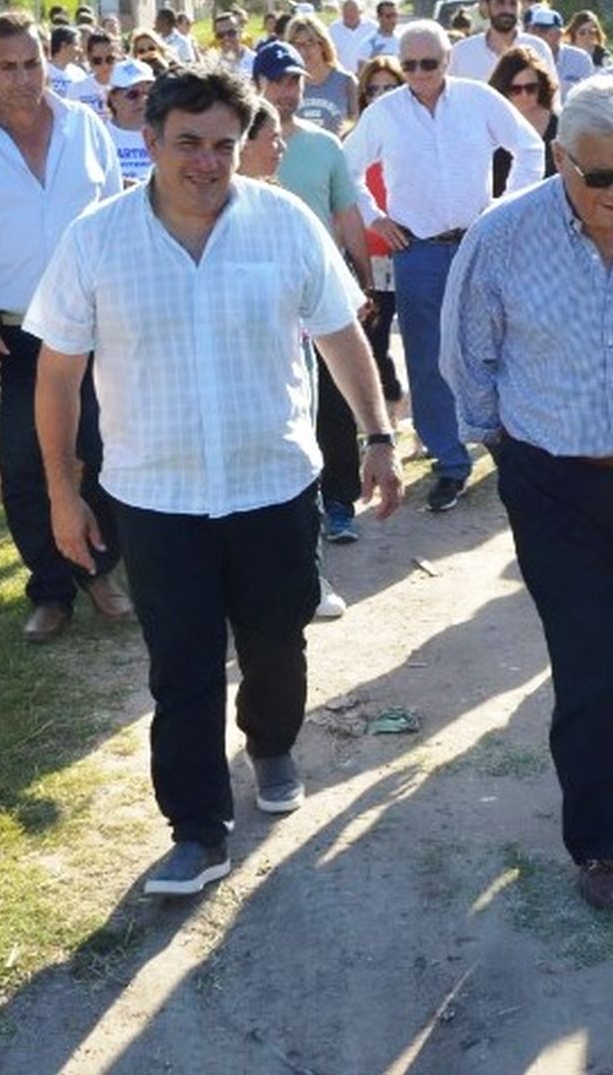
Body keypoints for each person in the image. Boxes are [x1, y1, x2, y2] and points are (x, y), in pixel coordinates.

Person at [27, 65, 402, 898]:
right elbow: (57, 374)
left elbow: (340, 334)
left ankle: (271, 742)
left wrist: (378, 436)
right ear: (150, 140)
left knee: (277, 642)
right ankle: (196, 830)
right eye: (187, 143)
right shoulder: (97, 239)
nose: (205, 162)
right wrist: (62, 490)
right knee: (181, 668)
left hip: (273, 485)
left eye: (223, 145)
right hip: (156, 498)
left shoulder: (285, 222)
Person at [440, 75, 613, 913]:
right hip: (553, 482)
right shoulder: (503, 237)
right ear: (561, 159)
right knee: (593, 664)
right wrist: (506, 448)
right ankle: (601, 843)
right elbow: (467, 355)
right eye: (601, 177)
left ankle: (611, 744)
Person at [0, 11, 132, 640]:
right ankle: (49, 588)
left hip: (89, 327)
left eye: (32, 63)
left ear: (49, 60)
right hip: (7, 334)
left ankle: (99, 571)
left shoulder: (86, 128)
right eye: (7, 67)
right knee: (22, 461)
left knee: (103, 449)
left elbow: (116, 220)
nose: (21, 78)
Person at [342, 20, 543, 514]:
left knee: (493, 346)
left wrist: (503, 209)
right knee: (427, 358)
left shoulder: (478, 100)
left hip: (476, 244)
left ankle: (504, 444)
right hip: (418, 251)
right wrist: (374, 217)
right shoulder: (385, 113)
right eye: (408, 65)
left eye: (428, 63)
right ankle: (450, 462)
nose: (418, 73)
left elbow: (530, 147)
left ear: (447, 60)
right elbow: (346, 169)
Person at [255, 41, 376, 555]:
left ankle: (341, 501)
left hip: (322, 293)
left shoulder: (325, 145)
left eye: (295, 81)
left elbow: (346, 214)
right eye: (278, 81)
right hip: (265, 298)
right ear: (257, 83)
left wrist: (363, 280)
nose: (288, 91)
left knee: (334, 402)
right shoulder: (241, 146)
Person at [355, 58, 405, 405]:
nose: (382, 95)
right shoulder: (353, 141)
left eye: (390, 87)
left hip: (414, 250)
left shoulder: (420, 136)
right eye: (374, 89)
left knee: (424, 338)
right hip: (372, 256)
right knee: (375, 338)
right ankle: (387, 405)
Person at [449, 0, 555, 82]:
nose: (507, 10)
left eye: (513, 3)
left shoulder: (537, 48)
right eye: (500, 2)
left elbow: (551, 90)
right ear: (487, 5)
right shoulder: (462, 52)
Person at [489, 46, 557, 194]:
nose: (524, 95)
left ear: (542, 86)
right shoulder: (490, 124)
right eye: (516, 89)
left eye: (531, 88)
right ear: (503, 89)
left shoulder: (560, 127)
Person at [282, 15, 358, 134]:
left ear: (323, 45)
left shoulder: (346, 82)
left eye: (310, 43)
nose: (303, 51)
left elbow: (355, 124)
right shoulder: (285, 85)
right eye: (296, 44)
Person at [103, 58, 155, 183]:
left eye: (149, 93)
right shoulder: (99, 136)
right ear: (113, 99)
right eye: (133, 94)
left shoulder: (164, 134)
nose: (143, 100)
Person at [526, 5, 596, 92]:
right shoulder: (524, 60)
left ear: (559, 33)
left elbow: (590, 94)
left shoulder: (580, 59)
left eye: (543, 31)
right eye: (534, 30)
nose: (538, 36)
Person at [66, 31, 120, 116]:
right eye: (97, 61)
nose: (105, 66)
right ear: (89, 59)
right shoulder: (76, 89)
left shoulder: (127, 86)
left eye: (110, 59)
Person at [328, 0, 372, 76]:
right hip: (342, 76)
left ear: (360, 12)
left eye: (352, 11)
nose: (349, 14)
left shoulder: (372, 27)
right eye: (346, 11)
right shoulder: (333, 29)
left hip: (368, 76)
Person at [358, 0, 401, 70]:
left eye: (395, 15)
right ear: (379, 17)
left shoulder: (403, 40)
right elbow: (362, 71)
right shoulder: (368, 43)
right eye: (388, 16)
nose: (393, 20)